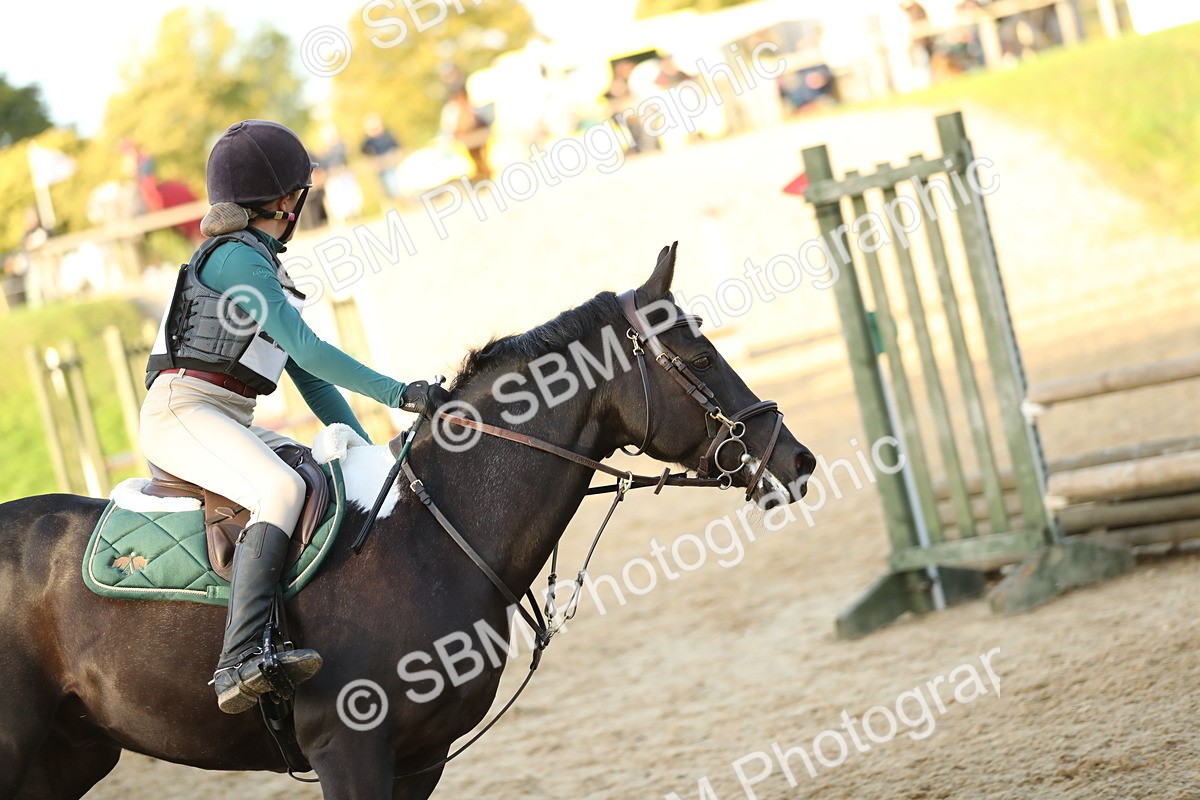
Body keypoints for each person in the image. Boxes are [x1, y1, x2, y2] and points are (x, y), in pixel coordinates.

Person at [140, 120, 449, 714]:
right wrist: (401, 394)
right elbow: (309, 351)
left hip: (225, 415)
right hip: (183, 412)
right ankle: (240, 657)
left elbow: (313, 381)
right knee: (280, 489)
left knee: (323, 477)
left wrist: (376, 463)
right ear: (286, 201)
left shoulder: (264, 270)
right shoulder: (235, 261)